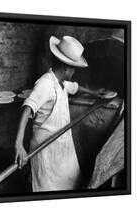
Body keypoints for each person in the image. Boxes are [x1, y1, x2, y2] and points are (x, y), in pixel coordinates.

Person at [14, 35, 103, 191]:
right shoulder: (45, 84)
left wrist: (95, 93)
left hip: (60, 145)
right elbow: (27, 108)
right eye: (73, 67)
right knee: (48, 188)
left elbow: (75, 87)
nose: (74, 71)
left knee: (69, 181)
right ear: (66, 68)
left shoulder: (61, 83)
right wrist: (18, 145)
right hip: (45, 148)